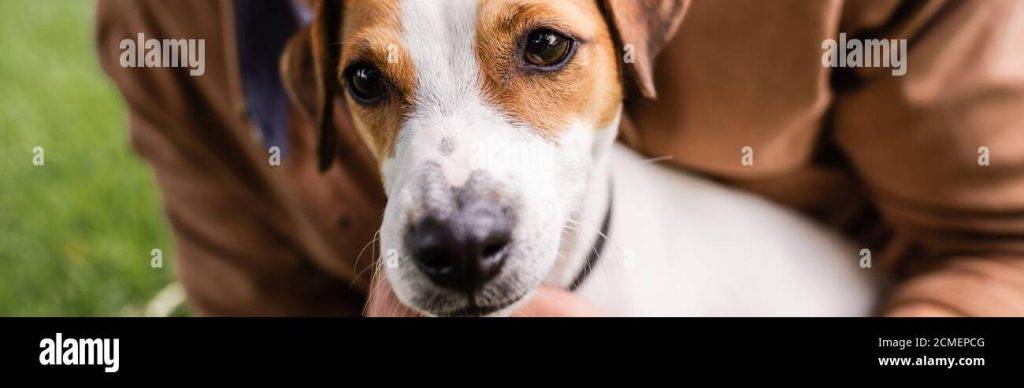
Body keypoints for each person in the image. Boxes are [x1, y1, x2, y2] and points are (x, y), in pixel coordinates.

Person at [97, 0, 1024, 316]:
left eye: (541, 51)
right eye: (372, 86)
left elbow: (1002, 249)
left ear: (631, 48)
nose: (454, 222)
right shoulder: (165, 30)